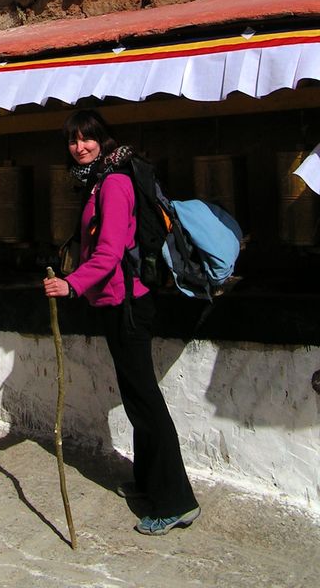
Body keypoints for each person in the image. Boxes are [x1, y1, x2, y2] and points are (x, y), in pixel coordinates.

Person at [43, 109, 200, 536]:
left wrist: (72, 286)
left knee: (145, 399)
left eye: (87, 138)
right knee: (136, 396)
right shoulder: (97, 181)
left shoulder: (113, 184)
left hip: (129, 304)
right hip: (116, 302)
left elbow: (110, 254)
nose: (80, 147)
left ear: (103, 139)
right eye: (73, 141)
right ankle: (150, 482)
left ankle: (177, 501)